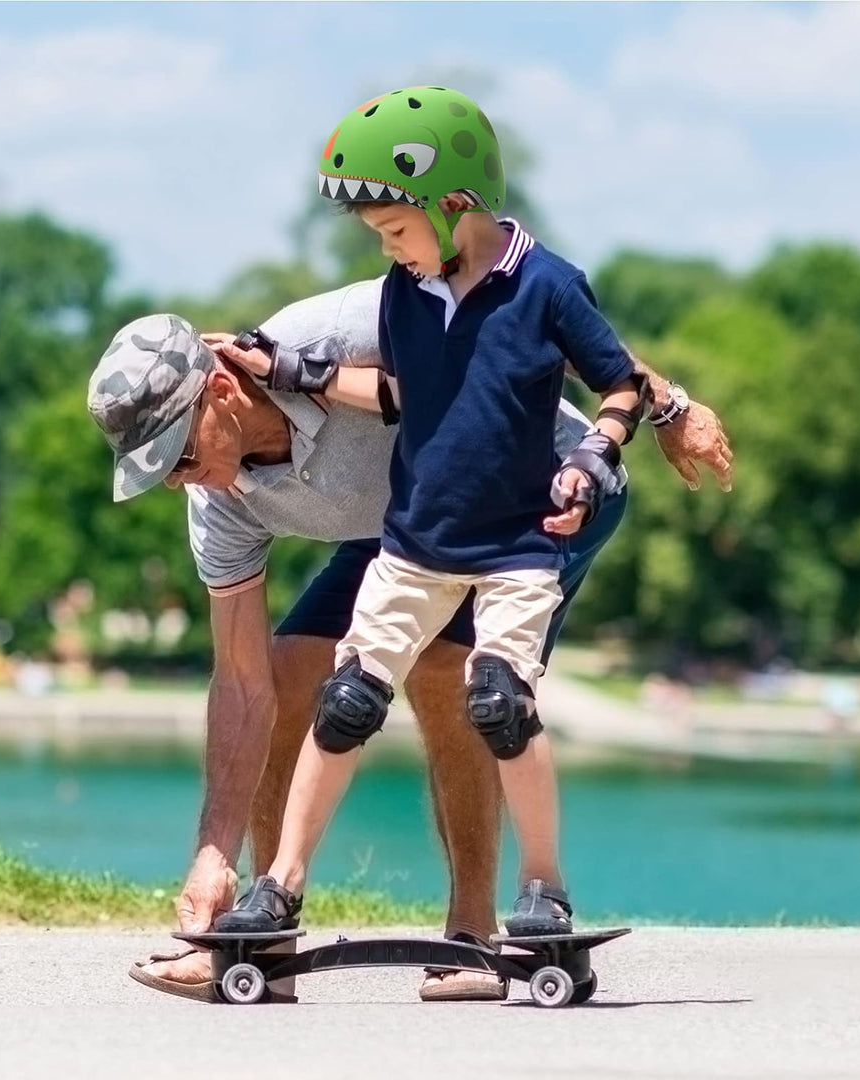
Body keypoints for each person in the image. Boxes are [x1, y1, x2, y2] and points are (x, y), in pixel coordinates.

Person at [88, 276, 732, 1002]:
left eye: (175, 455)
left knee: (443, 670)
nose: (177, 483)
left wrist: (669, 405)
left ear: (223, 395)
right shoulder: (219, 501)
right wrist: (211, 855)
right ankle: (261, 928)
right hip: (407, 526)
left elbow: (537, 321)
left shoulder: (335, 335)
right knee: (290, 669)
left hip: (538, 488)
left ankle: (471, 931)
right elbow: (241, 684)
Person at [210, 86, 651, 938]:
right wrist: (292, 369)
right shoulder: (407, 292)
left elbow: (622, 381)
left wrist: (596, 458)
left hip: (518, 548)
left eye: (396, 231)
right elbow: (397, 395)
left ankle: (543, 886)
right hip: (412, 549)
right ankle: (282, 883)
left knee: (499, 702)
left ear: (454, 204)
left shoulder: (549, 287)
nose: (391, 249)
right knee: (348, 700)